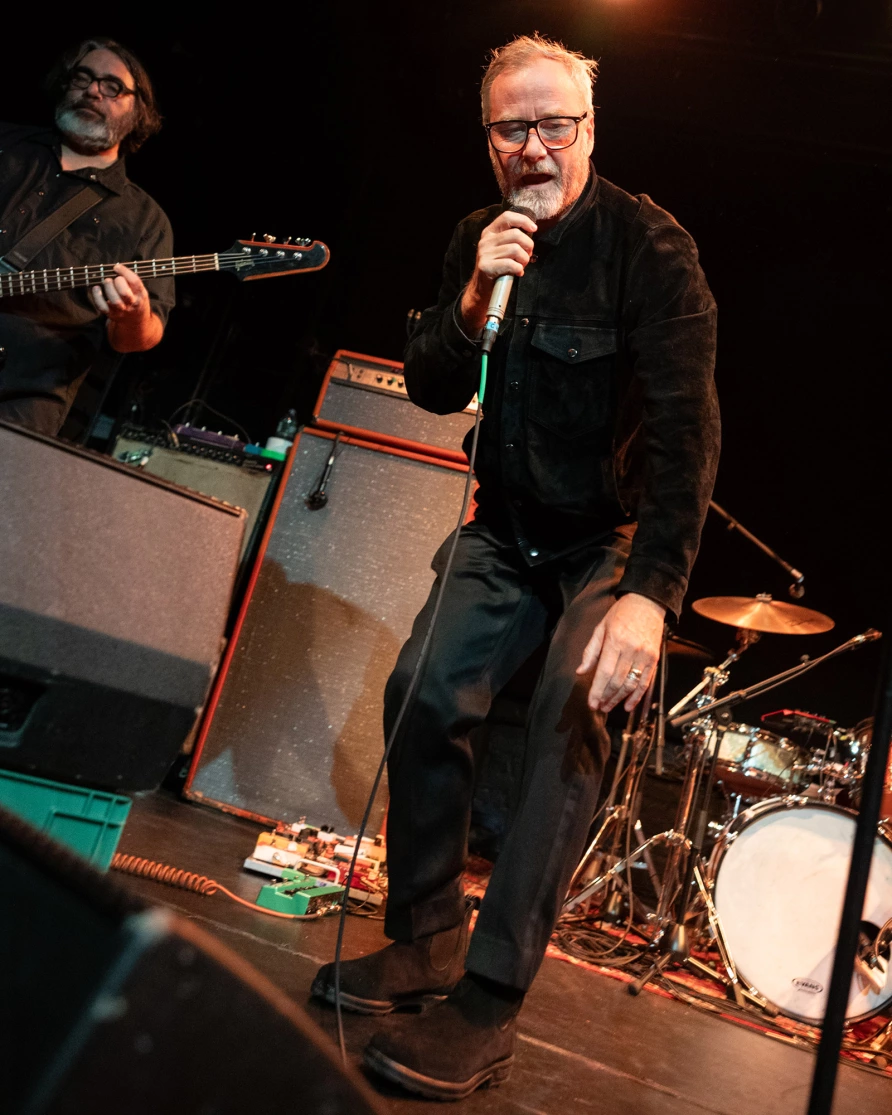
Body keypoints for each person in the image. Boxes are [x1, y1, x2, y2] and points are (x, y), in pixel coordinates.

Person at [313, 34, 721, 1100]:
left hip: (612, 538)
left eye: (555, 126)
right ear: (487, 136)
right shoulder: (474, 237)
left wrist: (649, 597)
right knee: (422, 688)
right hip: (508, 527)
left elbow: (688, 437)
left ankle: (487, 1001)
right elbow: (436, 388)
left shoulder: (649, 246)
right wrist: (470, 298)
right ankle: (426, 937)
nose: (534, 148)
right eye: (511, 128)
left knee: (569, 716)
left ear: (588, 129)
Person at [0, 37, 174, 437]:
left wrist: (132, 314)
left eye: (113, 86)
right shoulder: (6, 145)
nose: (94, 90)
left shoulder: (146, 220)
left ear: (138, 111)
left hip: (23, 399)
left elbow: (140, 338)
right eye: (83, 78)